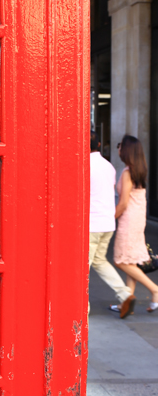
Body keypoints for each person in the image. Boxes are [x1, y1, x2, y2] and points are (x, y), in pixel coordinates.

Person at [89, 131, 135, 318]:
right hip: (107, 223)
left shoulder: (82, 165)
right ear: (99, 144)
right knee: (99, 261)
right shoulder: (109, 166)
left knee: (83, 267)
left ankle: (83, 309)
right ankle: (125, 294)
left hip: (91, 223)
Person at [113, 134, 158, 313]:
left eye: (120, 145)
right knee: (130, 260)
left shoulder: (126, 172)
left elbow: (123, 203)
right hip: (138, 220)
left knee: (120, 260)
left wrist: (111, 218)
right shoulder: (139, 170)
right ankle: (127, 302)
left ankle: (155, 290)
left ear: (127, 150)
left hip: (129, 220)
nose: (118, 148)